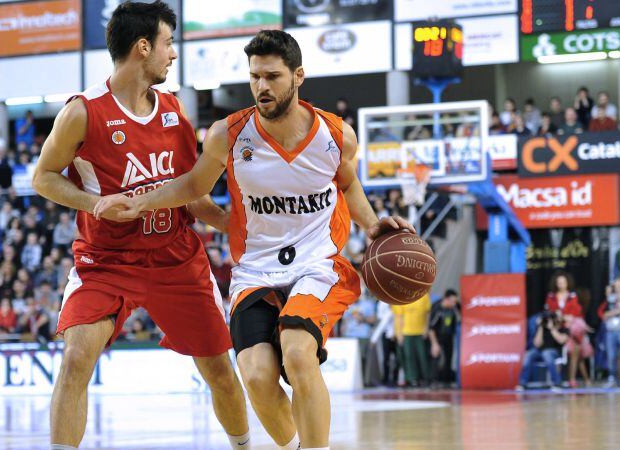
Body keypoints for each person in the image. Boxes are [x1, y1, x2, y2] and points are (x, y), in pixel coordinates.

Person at [93, 29, 414, 450]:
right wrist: (141, 203)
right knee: (258, 376)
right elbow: (192, 186)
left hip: (318, 264)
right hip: (255, 270)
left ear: (299, 76)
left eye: (273, 77)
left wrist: (372, 225)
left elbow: (349, 186)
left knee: (298, 354)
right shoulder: (229, 133)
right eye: (255, 77)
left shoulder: (336, 136)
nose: (262, 86)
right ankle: (296, 443)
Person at [31, 3, 250, 449]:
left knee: (221, 373)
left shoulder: (174, 110)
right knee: (76, 359)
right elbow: (43, 177)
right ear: (143, 47)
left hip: (176, 258)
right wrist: (94, 204)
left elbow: (192, 191)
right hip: (106, 261)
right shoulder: (83, 112)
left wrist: (231, 222)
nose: (172, 55)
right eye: (168, 43)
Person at [544, 272, 591, 388]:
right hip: (556, 329)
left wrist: (564, 317)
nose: (561, 284)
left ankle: (574, 379)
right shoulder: (551, 296)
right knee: (559, 354)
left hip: (571, 329)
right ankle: (558, 380)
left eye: (563, 282)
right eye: (559, 282)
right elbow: (548, 311)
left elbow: (576, 312)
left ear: (567, 283)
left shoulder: (572, 296)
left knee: (576, 352)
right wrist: (557, 316)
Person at [516, 311, 569, 391]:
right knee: (529, 354)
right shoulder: (542, 328)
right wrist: (540, 327)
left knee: (546, 353)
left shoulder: (563, 328)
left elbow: (561, 340)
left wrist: (552, 329)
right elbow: (537, 344)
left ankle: (557, 382)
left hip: (555, 352)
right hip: (539, 351)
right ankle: (522, 383)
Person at [393, 293, 432, 388]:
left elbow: (428, 313)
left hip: (420, 331)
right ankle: (412, 379)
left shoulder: (423, 295)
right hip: (406, 332)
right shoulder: (400, 296)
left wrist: (427, 328)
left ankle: (425, 377)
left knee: (422, 355)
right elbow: (398, 317)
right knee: (409, 356)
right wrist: (399, 333)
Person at [428, 290, 459, 387]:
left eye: (455, 302)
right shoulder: (437, 308)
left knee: (448, 358)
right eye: (452, 301)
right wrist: (434, 344)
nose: (454, 304)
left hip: (449, 337)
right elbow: (431, 328)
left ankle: (447, 381)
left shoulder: (454, 309)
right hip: (438, 337)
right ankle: (434, 381)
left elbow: (458, 318)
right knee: (436, 357)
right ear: (446, 299)